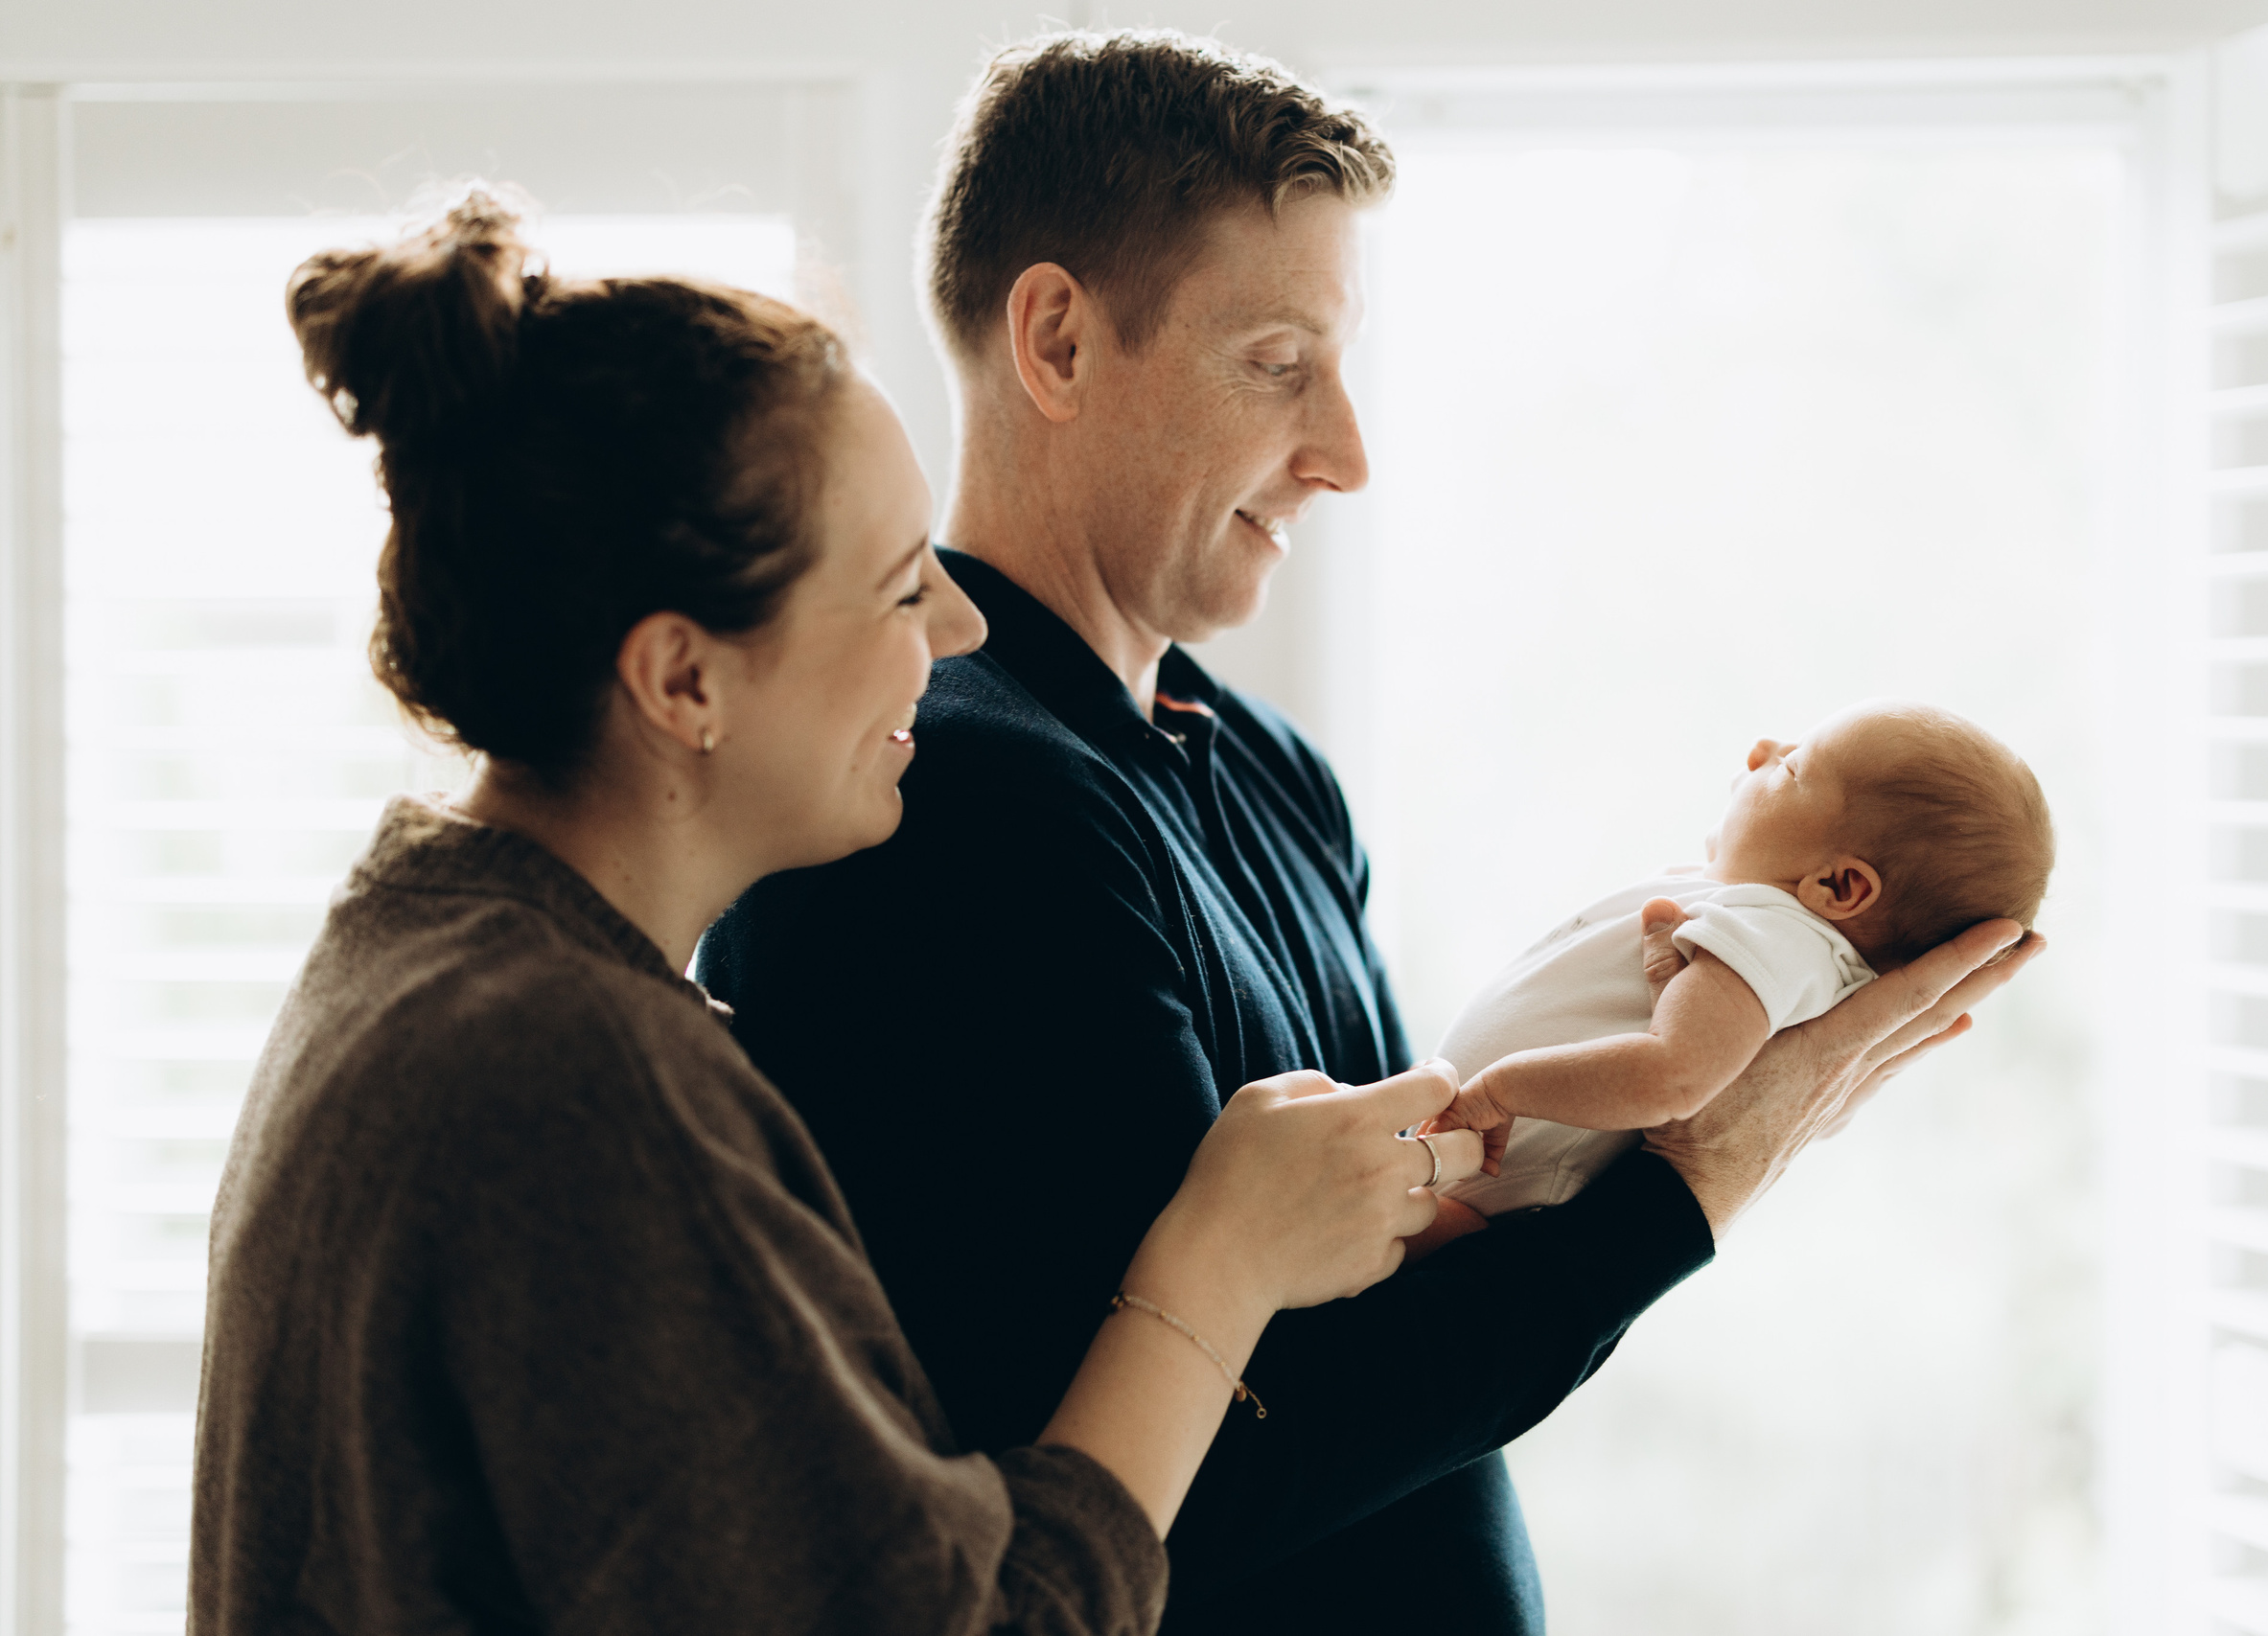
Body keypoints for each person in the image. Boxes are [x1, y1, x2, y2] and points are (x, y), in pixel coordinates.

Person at [699, 30, 2045, 1634]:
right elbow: (1176, 1486)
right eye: (1278, 362)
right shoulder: (950, 803)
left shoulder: (1270, 772)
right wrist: (1698, 1174)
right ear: (1056, 339)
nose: (1345, 451)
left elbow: (1408, 1288)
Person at [187, 189, 1488, 1636]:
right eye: (892, 586)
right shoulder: (573, 1077)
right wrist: (1218, 1258)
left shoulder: (434, 966)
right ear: (685, 681)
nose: (958, 628)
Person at [1423, 702, 2055, 1217]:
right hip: (1471, 1168)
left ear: (1838, 887)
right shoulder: (1769, 937)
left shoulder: (1779, 939)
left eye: (1793, 767)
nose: (1762, 749)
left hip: (1495, 1186)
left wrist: (1503, 1089)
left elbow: (1673, 1077)